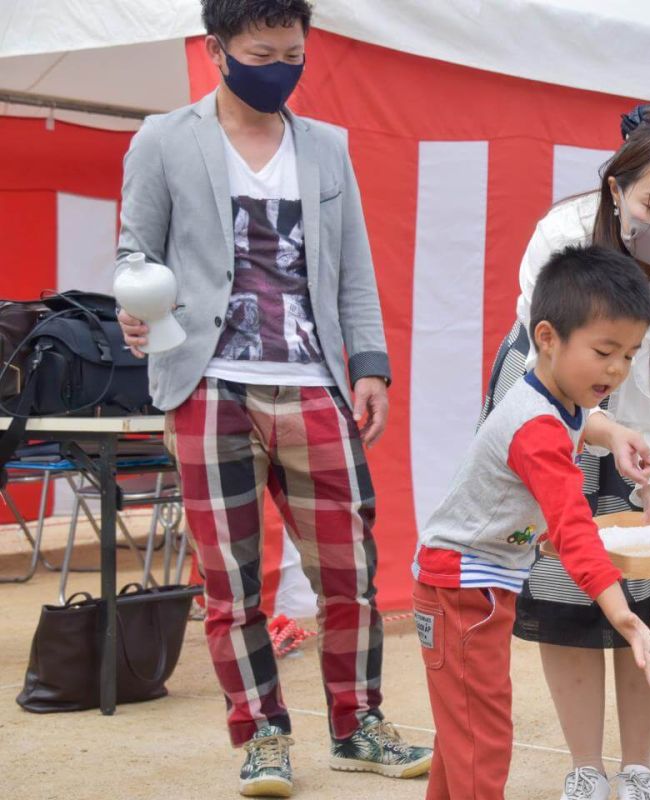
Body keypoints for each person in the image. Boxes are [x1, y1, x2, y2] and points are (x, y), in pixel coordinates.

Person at [114, 1, 431, 795]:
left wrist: (371, 365)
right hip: (207, 382)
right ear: (217, 50)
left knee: (350, 574)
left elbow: (353, 265)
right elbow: (134, 252)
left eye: (294, 50)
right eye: (263, 51)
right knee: (231, 582)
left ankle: (358, 725)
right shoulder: (164, 139)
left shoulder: (325, 148)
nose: (282, 64)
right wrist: (133, 304)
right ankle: (261, 736)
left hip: (315, 381)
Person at [478, 105, 650, 800]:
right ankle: (585, 768)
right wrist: (598, 433)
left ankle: (640, 768)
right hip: (552, 414)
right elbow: (547, 361)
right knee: (566, 588)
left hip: (647, 431)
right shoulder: (561, 235)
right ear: (617, 188)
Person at [413, 245, 650, 800]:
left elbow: (578, 431)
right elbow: (572, 523)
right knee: (481, 738)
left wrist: (615, 433)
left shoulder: (556, 396)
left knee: (463, 734)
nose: (617, 369)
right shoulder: (537, 428)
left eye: (629, 355)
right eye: (605, 351)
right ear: (548, 338)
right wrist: (625, 617)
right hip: (464, 590)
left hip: (464, 583)